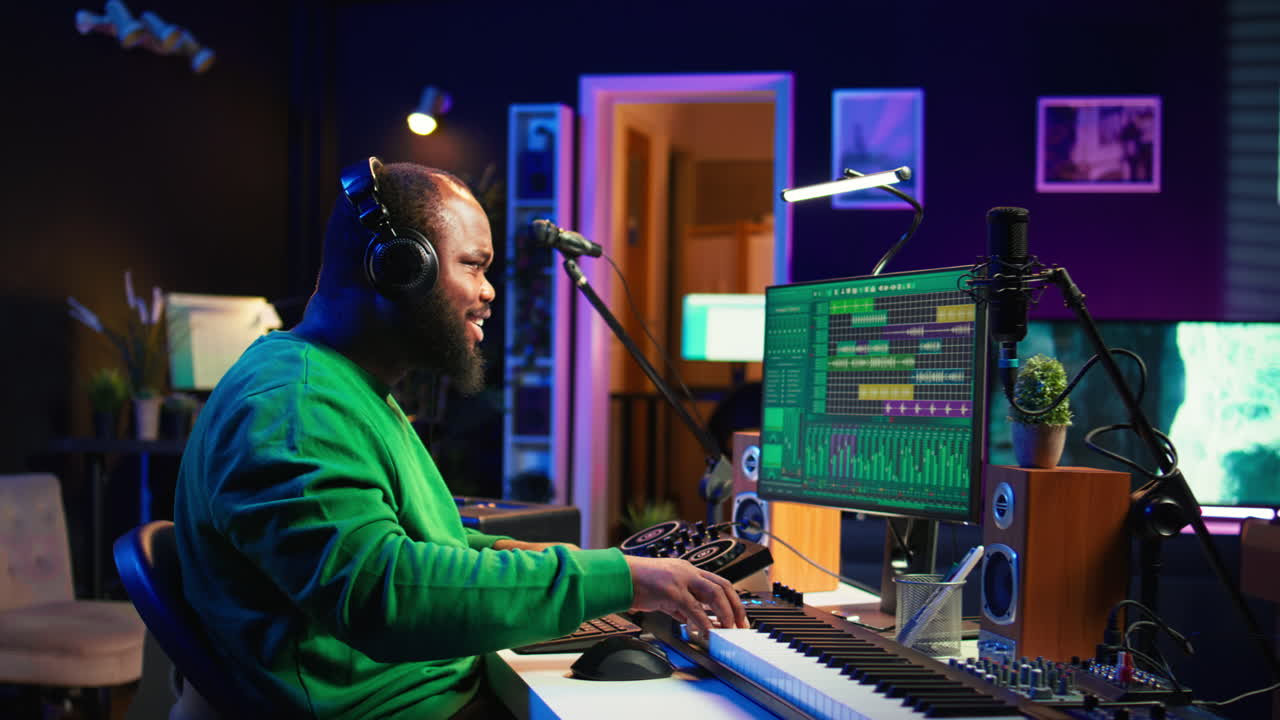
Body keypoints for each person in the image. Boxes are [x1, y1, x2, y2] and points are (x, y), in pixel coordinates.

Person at [172, 158, 747, 719]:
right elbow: (383, 591)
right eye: (474, 265)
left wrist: (524, 556)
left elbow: (407, 542)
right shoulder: (294, 407)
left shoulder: (342, 386)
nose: (490, 290)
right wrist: (620, 579)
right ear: (399, 267)